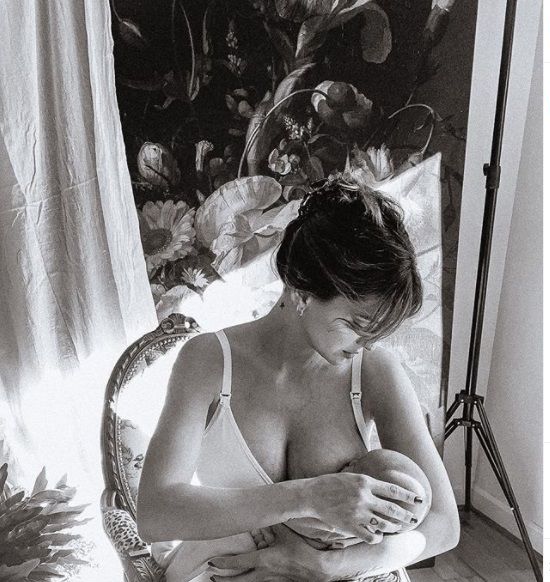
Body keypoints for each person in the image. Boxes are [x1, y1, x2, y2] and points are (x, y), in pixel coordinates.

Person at [137, 176, 460, 582]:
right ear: (302, 291)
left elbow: (444, 525)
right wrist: (306, 496)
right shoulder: (209, 361)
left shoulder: (374, 370)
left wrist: (325, 565)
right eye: (356, 325)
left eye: (377, 331)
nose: (366, 343)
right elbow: (155, 514)